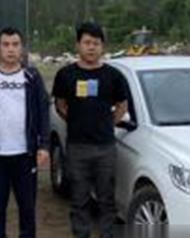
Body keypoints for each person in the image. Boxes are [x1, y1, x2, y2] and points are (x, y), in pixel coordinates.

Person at [52, 22, 128, 238]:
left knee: (106, 199)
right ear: (78, 45)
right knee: (79, 199)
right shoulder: (65, 75)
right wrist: (76, 121)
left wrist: (107, 123)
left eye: (96, 43)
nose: (91, 47)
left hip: (106, 147)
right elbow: (60, 104)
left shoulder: (113, 76)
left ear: (102, 46)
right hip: (77, 147)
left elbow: (122, 105)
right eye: (87, 42)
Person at [0, 27, 50, 238]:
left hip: (26, 155)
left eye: (15, 44)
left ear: (22, 48)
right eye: (5, 45)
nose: (11, 49)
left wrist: (44, 146)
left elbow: (43, 113)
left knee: (27, 209)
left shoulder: (32, 77)